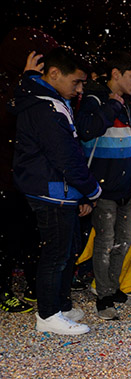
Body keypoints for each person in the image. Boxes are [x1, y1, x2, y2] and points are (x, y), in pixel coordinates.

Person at [12, 47, 102, 335]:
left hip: (58, 189)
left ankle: (59, 306)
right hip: (51, 190)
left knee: (66, 250)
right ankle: (48, 315)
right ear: (53, 74)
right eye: (76, 82)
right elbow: (65, 156)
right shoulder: (44, 107)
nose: (80, 89)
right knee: (56, 253)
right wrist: (91, 189)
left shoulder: (51, 100)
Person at [76, 51, 131, 320]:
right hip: (103, 186)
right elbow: (85, 129)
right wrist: (110, 107)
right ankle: (103, 297)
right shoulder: (94, 97)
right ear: (115, 74)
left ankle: (112, 289)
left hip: (127, 186)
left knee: (124, 241)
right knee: (105, 242)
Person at [0, 27, 57, 314]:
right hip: (5, 177)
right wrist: (25, 79)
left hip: (28, 176)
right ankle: (4, 290)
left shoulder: (32, 86)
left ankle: (36, 284)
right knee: (8, 237)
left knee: (31, 234)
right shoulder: (10, 84)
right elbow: (9, 113)